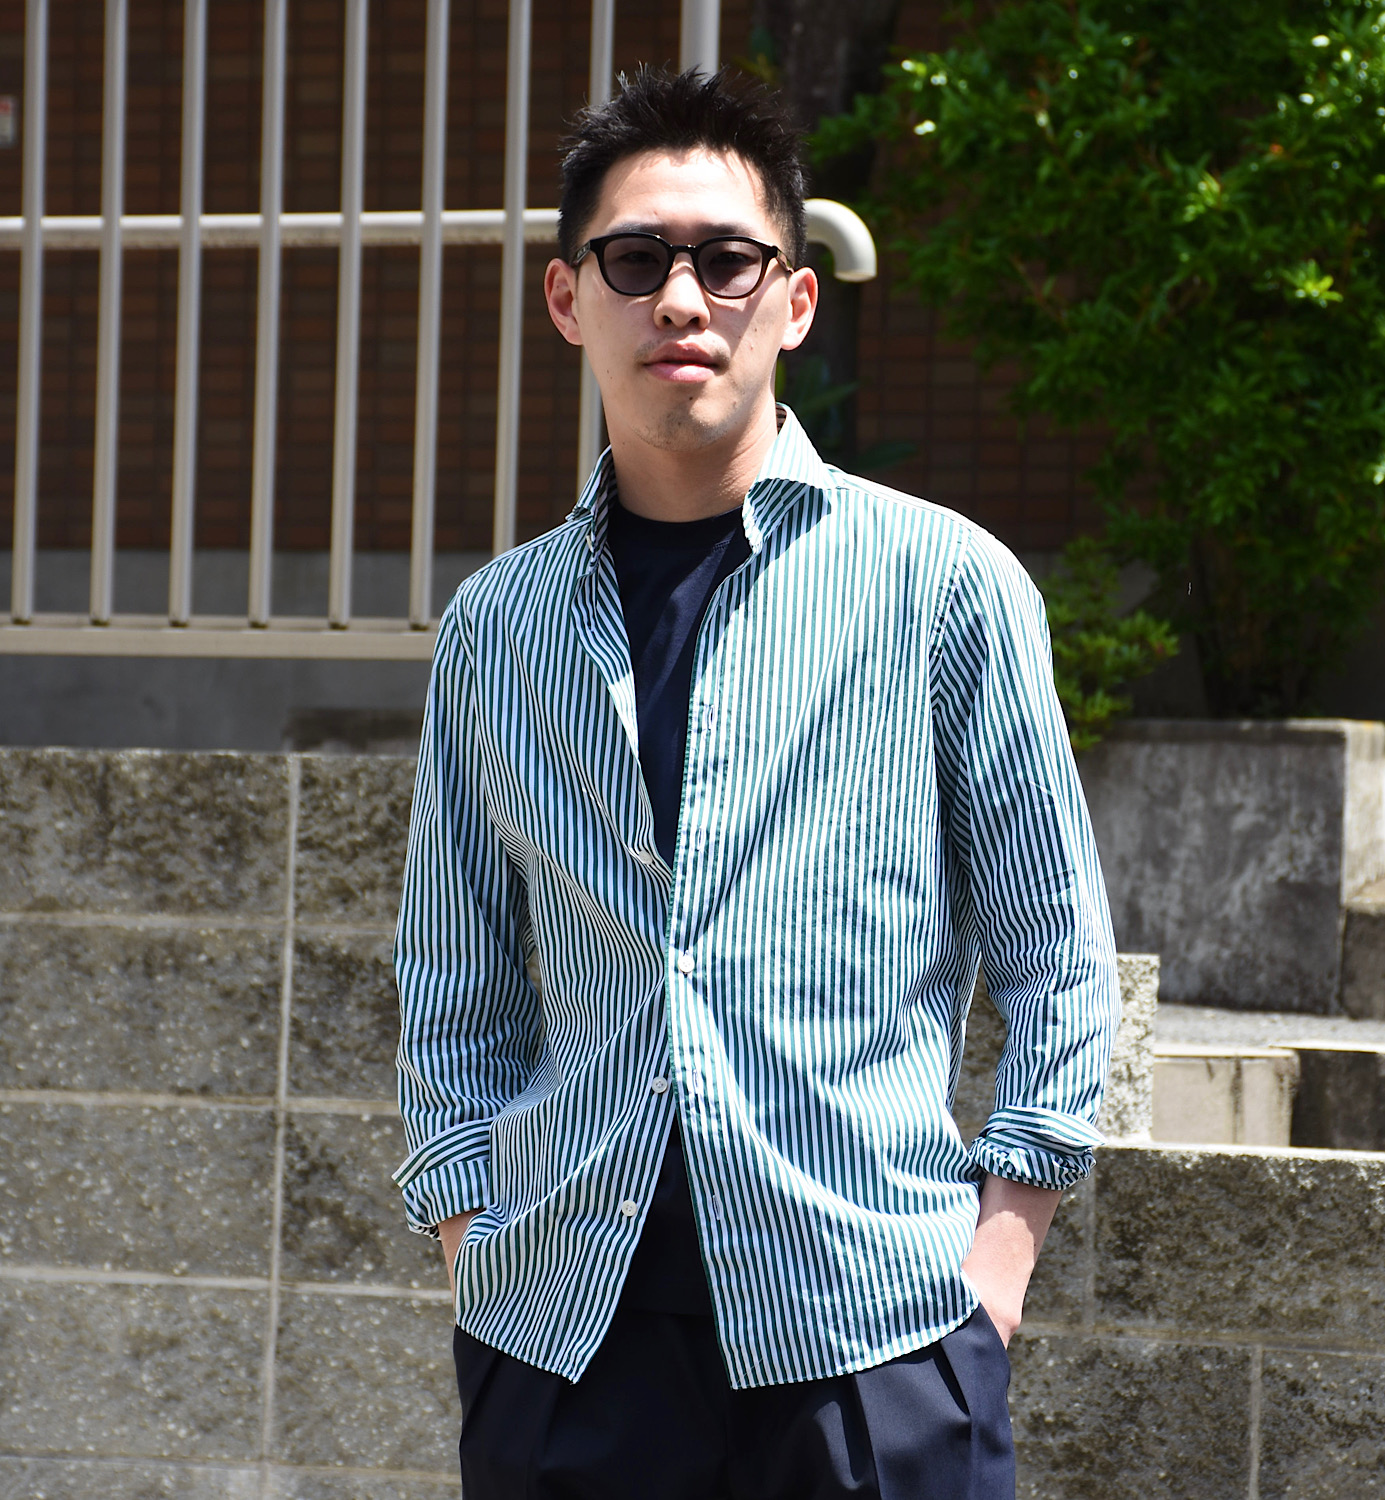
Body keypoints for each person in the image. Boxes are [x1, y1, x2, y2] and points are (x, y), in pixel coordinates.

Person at [393, 66, 1119, 1500]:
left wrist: (996, 1269)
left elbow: (1058, 956)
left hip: (879, 1337)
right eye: (635, 259)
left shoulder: (943, 584)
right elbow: (452, 976)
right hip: (564, 1341)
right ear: (568, 299)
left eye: (727, 260)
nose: (682, 299)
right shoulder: (497, 624)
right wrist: (474, 1236)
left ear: (792, 301)